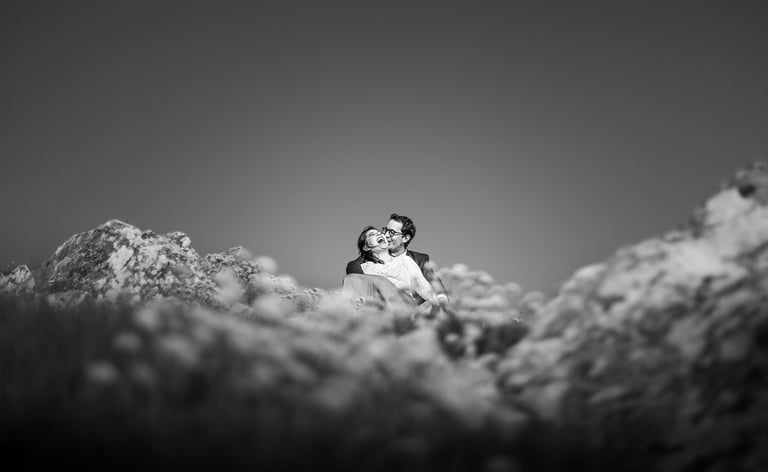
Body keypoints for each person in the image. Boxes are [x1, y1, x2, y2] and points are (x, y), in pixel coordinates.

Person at [342, 226, 448, 309]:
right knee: (350, 280)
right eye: (372, 234)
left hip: (403, 304)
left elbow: (422, 286)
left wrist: (441, 301)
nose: (379, 234)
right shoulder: (364, 269)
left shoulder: (405, 261)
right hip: (377, 308)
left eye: (379, 232)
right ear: (366, 247)